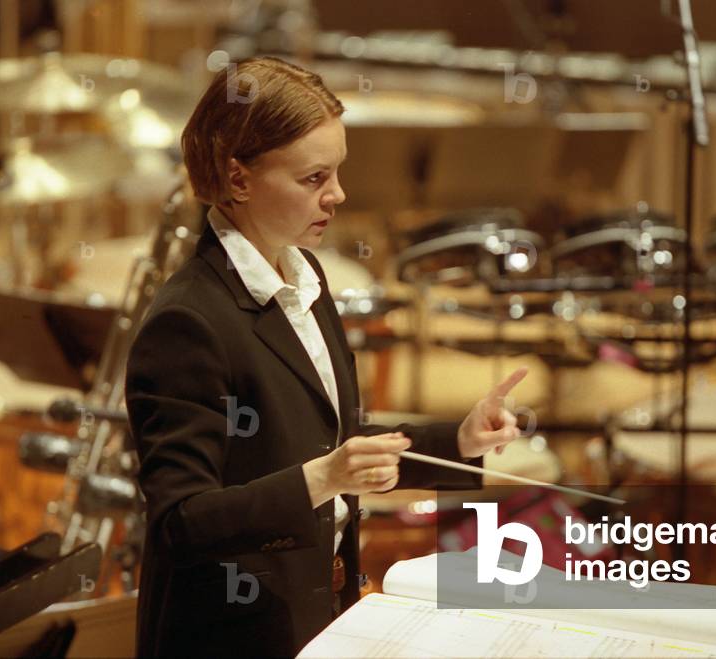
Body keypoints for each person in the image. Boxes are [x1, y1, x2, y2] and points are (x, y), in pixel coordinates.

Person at [124, 55, 529, 657]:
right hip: (231, 634)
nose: (338, 195)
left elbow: (333, 442)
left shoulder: (304, 274)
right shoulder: (189, 321)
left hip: (315, 614)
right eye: (314, 179)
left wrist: (459, 443)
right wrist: (325, 478)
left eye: (336, 172)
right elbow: (181, 521)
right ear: (239, 180)